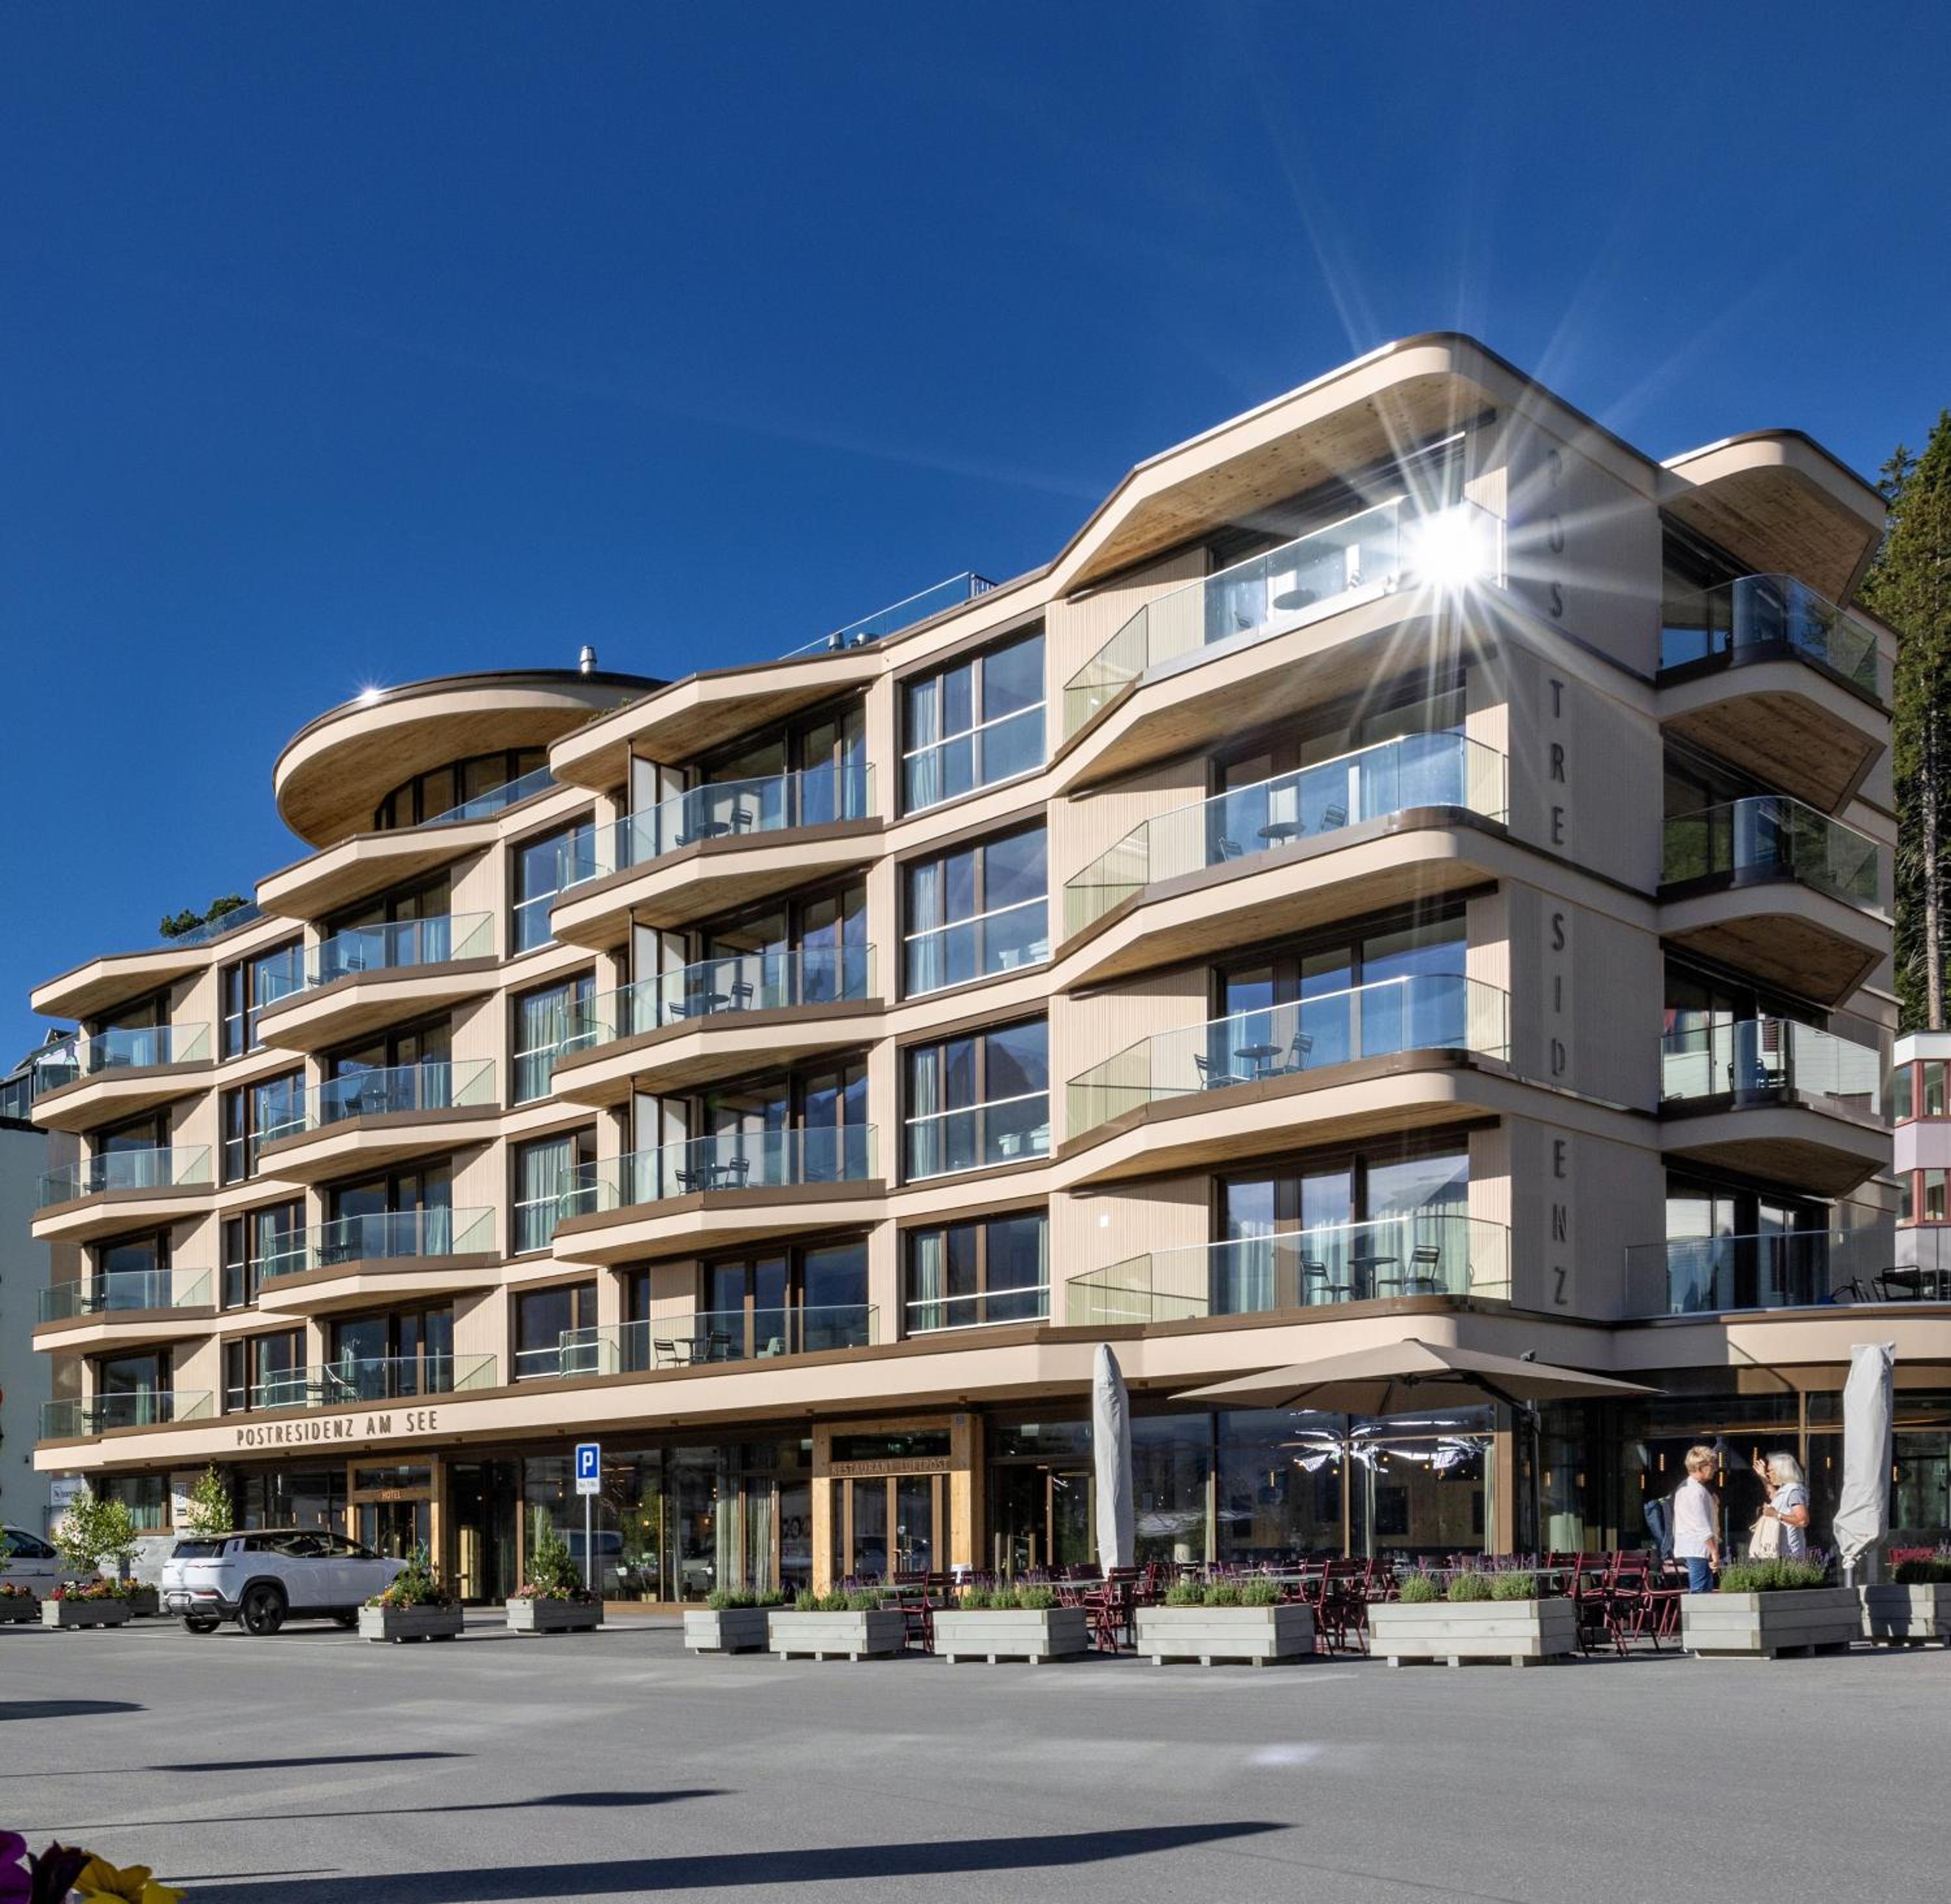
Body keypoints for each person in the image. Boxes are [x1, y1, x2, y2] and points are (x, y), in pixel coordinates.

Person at [1673, 1444, 1721, 1593]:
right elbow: (1702, 1525)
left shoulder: (1688, 1488)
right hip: (1698, 1548)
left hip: (1694, 1547)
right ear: (1701, 1467)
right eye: (1712, 1465)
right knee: (1700, 1591)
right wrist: (1714, 1551)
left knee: (1702, 1591)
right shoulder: (1695, 1491)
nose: (1715, 1469)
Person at [1753, 1451, 1811, 1561]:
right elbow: (1776, 1498)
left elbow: (1803, 1520)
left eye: (1770, 1471)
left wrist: (1775, 1514)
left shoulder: (1794, 1492)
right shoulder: (1786, 1489)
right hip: (1780, 1551)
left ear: (1781, 1471)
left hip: (1790, 1554)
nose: (1768, 1474)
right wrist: (1763, 1478)